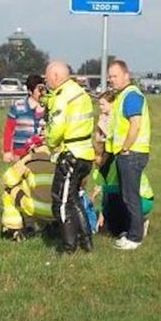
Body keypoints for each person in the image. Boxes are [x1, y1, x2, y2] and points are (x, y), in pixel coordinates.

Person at [42, 61, 96, 252]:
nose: (46, 81)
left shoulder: (62, 96)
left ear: (56, 76)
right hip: (86, 154)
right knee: (74, 200)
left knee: (61, 203)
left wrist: (49, 141)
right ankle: (86, 242)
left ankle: (68, 246)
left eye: (47, 77)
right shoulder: (80, 92)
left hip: (70, 155)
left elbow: (57, 127)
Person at [105, 60, 152, 251]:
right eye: (109, 76)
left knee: (131, 196)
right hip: (127, 152)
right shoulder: (123, 95)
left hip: (132, 153)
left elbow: (135, 124)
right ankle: (129, 232)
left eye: (115, 76)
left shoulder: (131, 95)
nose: (111, 80)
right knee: (126, 195)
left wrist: (125, 147)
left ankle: (135, 237)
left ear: (126, 75)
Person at [0, 142, 55, 240]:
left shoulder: (28, 163)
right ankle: (45, 226)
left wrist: (23, 160)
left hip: (36, 208)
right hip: (56, 210)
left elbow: (8, 180)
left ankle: (14, 228)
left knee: (9, 190)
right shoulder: (56, 162)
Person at [1, 74, 47, 162]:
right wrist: (7, 151)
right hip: (20, 153)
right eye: (39, 89)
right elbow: (8, 130)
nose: (42, 92)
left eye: (43, 89)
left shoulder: (49, 107)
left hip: (42, 153)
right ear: (30, 91)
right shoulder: (18, 106)